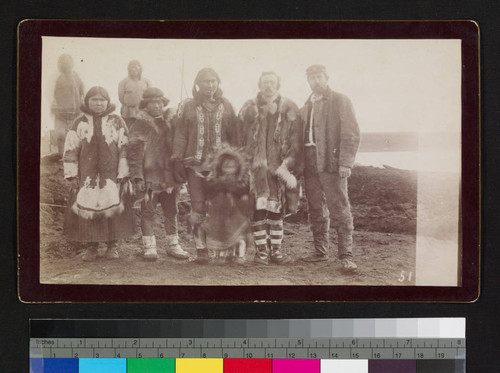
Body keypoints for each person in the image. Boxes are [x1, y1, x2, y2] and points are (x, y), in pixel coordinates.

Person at [171, 67, 239, 264]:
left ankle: (225, 251)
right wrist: (177, 160)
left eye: (213, 81)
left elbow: (234, 136)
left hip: (221, 167)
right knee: (198, 206)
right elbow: (181, 135)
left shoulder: (227, 106)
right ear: (198, 84)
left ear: (218, 83)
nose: (210, 85)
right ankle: (201, 251)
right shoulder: (188, 106)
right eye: (206, 81)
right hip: (195, 166)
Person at [63, 86, 135, 261]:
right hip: (87, 177)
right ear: (87, 101)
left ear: (108, 102)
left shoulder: (117, 121)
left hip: (111, 177)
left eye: (102, 100)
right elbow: (71, 148)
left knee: (113, 208)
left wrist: (123, 172)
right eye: (94, 99)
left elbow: (124, 147)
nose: (98, 103)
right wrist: (72, 174)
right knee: (88, 208)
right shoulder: (79, 122)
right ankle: (91, 247)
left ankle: (112, 246)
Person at [300, 64, 361, 270]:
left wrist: (345, 162)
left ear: (327, 77)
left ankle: (346, 256)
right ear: (308, 81)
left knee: (340, 208)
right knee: (316, 208)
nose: (316, 81)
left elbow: (350, 133)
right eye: (312, 78)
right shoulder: (305, 106)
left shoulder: (340, 100)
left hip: (331, 165)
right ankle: (320, 252)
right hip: (309, 166)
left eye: (319, 77)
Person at [239, 72, 302, 265]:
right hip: (255, 170)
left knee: (276, 210)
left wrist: (288, 165)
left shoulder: (289, 108)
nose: (269, 86)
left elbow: (296, 140)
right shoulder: (248, 108)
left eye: (272, 82)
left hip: (279, 168)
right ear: (259, 85)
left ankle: (276, 251)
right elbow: (239, 137)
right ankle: (261, 253)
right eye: (265, 82)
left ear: (278, 85)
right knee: (258, 210)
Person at [127, 88, 189, 261]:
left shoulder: (172, 123)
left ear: (164, 103)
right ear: (145, 105)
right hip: (149, 179)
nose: (156, 106)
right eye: (151, 103)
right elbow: (133, 154)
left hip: (170, 178)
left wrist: (180, 174)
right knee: (148, 212)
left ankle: (173, 245)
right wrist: (137, 177)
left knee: (172, 211)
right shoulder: (139, 125)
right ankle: (149, 247)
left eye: (159, 102)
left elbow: (181, 146)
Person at [202, 145, 250, 265]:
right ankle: (221, 256)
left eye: (232, 167)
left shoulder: (240, 179)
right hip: (219, 213)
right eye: (226, 167)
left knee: (236, 233)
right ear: (220, 167)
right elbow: (209, 191)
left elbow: (244, 192)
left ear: (237, 167)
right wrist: (220, 184)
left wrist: (234, 188)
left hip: (234, 213)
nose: (229, 169)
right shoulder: (215, 179)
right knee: (219, 234)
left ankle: (238, 255)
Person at [51, 54, 85, 157]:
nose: (66, 65)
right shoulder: (58, 79)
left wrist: (82, 104)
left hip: (77, 111)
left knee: (77, 133)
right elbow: (54, 95)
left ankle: (78, 155)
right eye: (64, 63)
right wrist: (57, 109)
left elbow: (82, 90)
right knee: (61, 135)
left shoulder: (76, 76)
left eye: (68, 62)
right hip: (62, 113)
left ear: (72, 64)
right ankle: (63, 156)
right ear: (60, 65)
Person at [118, 60, 151, 127]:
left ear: (140, 69)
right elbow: (121, 97)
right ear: (129, 70)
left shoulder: (146, 81)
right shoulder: (123, 82)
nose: (134, 69)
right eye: (132, 68)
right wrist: (129, 104)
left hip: (142, 111)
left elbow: (150, 95)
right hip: (128, 112)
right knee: (128, 130)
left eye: (136, 68)